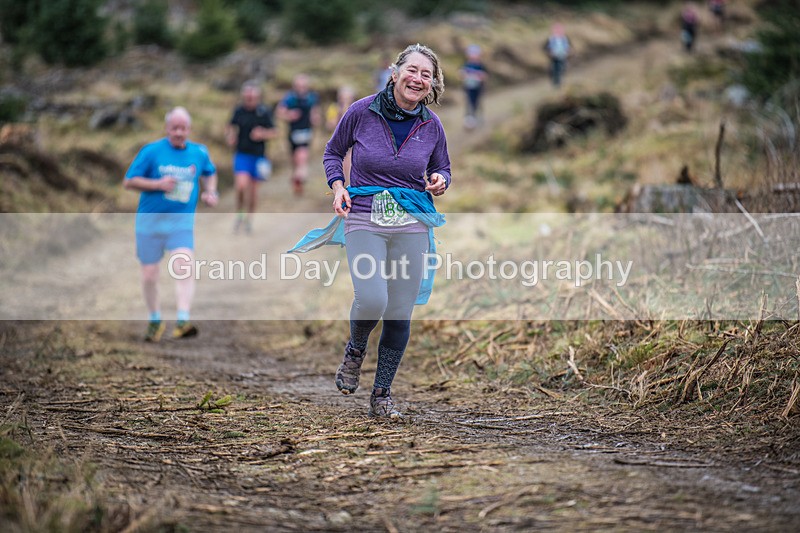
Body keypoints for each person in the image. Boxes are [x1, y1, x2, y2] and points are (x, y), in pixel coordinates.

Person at [289, 43, 450, 419]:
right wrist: (338, 185)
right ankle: (356, 348)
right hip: (363, 214)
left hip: (411, 220)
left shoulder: (432, 126)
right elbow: (332, 152)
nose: (418, 79)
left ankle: (382, 394)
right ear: (394, 74)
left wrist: (441, 180)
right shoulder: (361, 111)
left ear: (431, 85)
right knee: (374, 297)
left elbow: (443, 167)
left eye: (426, 75)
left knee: (399, 310)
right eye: (412, 70)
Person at [123, 107, 219, 342]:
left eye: (183, 128)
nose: (179, 132)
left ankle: (182, 320)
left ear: (189, 129)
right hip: (149, 225)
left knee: (184, 266)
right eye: (174, 128)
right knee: (149, 276)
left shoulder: (199, 152)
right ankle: (155, 319)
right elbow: (129, 182)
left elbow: (210, 172)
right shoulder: (151, 151)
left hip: (180, 225)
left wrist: (210, 192)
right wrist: (158, 185)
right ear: (167, 128)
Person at [226, 81, 276, 234]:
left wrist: (262, 134)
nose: (249, 99)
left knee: (253, 192)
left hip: (259, 157)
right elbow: (230, 126)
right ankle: (240, 213)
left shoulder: (264, 111)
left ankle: (249, 219)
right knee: (241, 186)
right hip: (242, 154)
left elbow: (274, 131)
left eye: (252, 97)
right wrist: (230, 136)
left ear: (257, 97)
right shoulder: (239, 110)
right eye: (247, 96)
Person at [276, 74, 321, 196]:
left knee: (302, 156)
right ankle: (297, 177)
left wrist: (315, 118)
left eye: (303, 86)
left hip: (306, 132)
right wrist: (289, 115)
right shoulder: (290, 98)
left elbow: (315, 112)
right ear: (295, 86)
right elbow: (279, 112)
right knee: (295, 160)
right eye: (299, 86)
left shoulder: (312, 97)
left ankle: (300, 176)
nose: (301, 88)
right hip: (292, 133)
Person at [325, 85, 357, 179]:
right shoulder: (334, 108)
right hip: (338, 142)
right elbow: (330, 125)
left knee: (350, 164)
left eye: (348, 98)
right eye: (343, 98)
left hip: (352, 141)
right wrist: (341, 112)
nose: (345, 100)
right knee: (341, 165)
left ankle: (349, 186)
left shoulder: (356, 109)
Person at [460, 44, 488, 129]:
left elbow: (485, 76)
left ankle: (477, 118)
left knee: (477, 102)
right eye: (471, 53)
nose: (473, 55)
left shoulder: (481, 65)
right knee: (469, 103)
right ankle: (469, 119)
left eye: (475, 53)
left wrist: (479, 76)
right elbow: (461, 74)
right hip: (468, 88)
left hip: (478, 88)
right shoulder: (466, 64)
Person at [543, 23, 571, 88]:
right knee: (554, 70)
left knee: (561, 69)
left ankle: (559, 83)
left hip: (562, 55)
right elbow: (545, 48)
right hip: (554, 57)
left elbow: (569, 47)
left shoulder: (565, 39)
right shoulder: (551, 39)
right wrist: (549, 53)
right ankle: (556, 83)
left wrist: (569, 51)